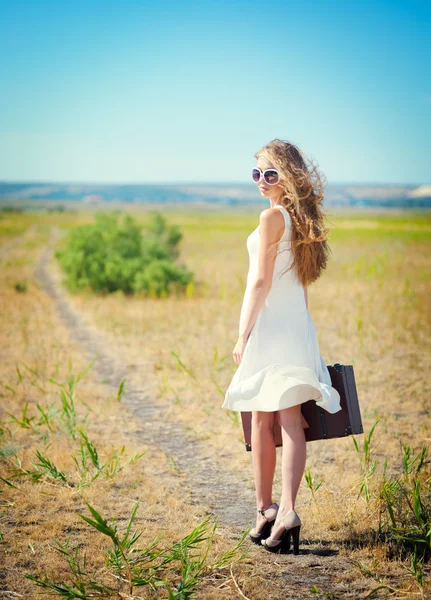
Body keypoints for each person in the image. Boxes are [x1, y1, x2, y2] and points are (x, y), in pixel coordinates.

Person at [221, 139, 342, 554]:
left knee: (260, 418)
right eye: (256, 173)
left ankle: (266, 509)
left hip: (272, 325)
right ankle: (284, 510)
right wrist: (307, 335)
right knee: (287, 419)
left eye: (270, 173)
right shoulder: (300, 220)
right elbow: (302, 289)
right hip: (295, 325)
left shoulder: (272, 216)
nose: (261, 180)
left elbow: (260, 281)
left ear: (288, 176)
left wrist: (242, 333)